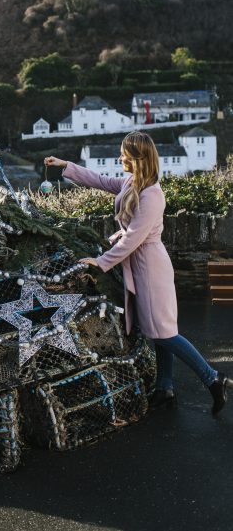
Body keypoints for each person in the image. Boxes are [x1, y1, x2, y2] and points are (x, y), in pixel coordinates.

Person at [44, 131, 229, 416]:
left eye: (125, 155)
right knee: (160, 331)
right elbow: (102, 181)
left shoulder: (152, 194)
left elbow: (133, 238)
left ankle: (212, 378)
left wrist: (101, 261)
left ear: (140, 158)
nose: (121, 159)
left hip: (151, 269)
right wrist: (65, 165)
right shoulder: (132, 183)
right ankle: (164, 388)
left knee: (164, 334)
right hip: (142, 267)